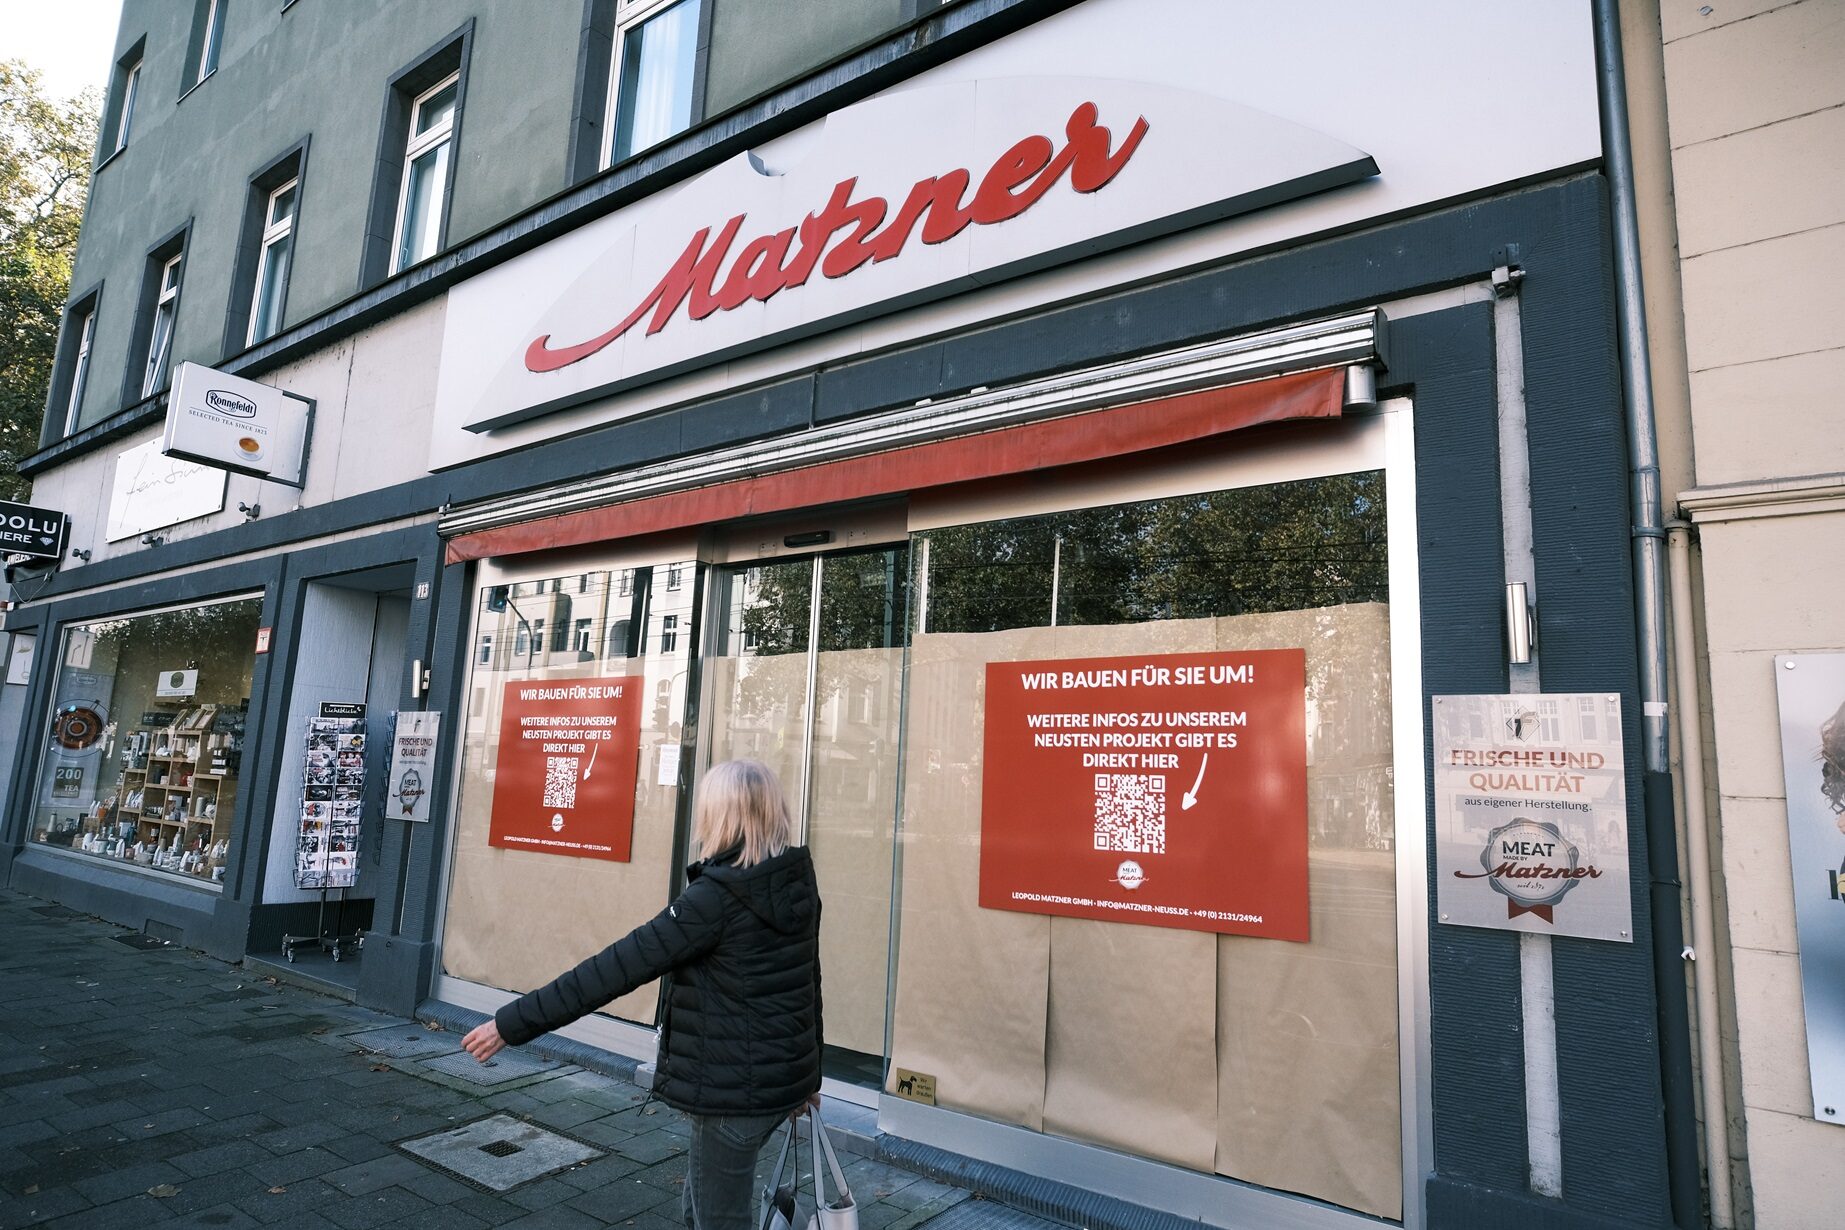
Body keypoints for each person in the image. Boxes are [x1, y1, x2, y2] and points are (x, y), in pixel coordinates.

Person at [462, 759, 823, 1229]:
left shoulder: (714, 901)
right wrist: (809, 1076)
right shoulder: (793, 884)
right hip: (775, 1087)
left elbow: (610, 971)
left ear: (722, 817)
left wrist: (507, 1025)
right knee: (699, 1210)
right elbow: (808, 984)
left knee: (718, 1219)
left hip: (732, 1096)